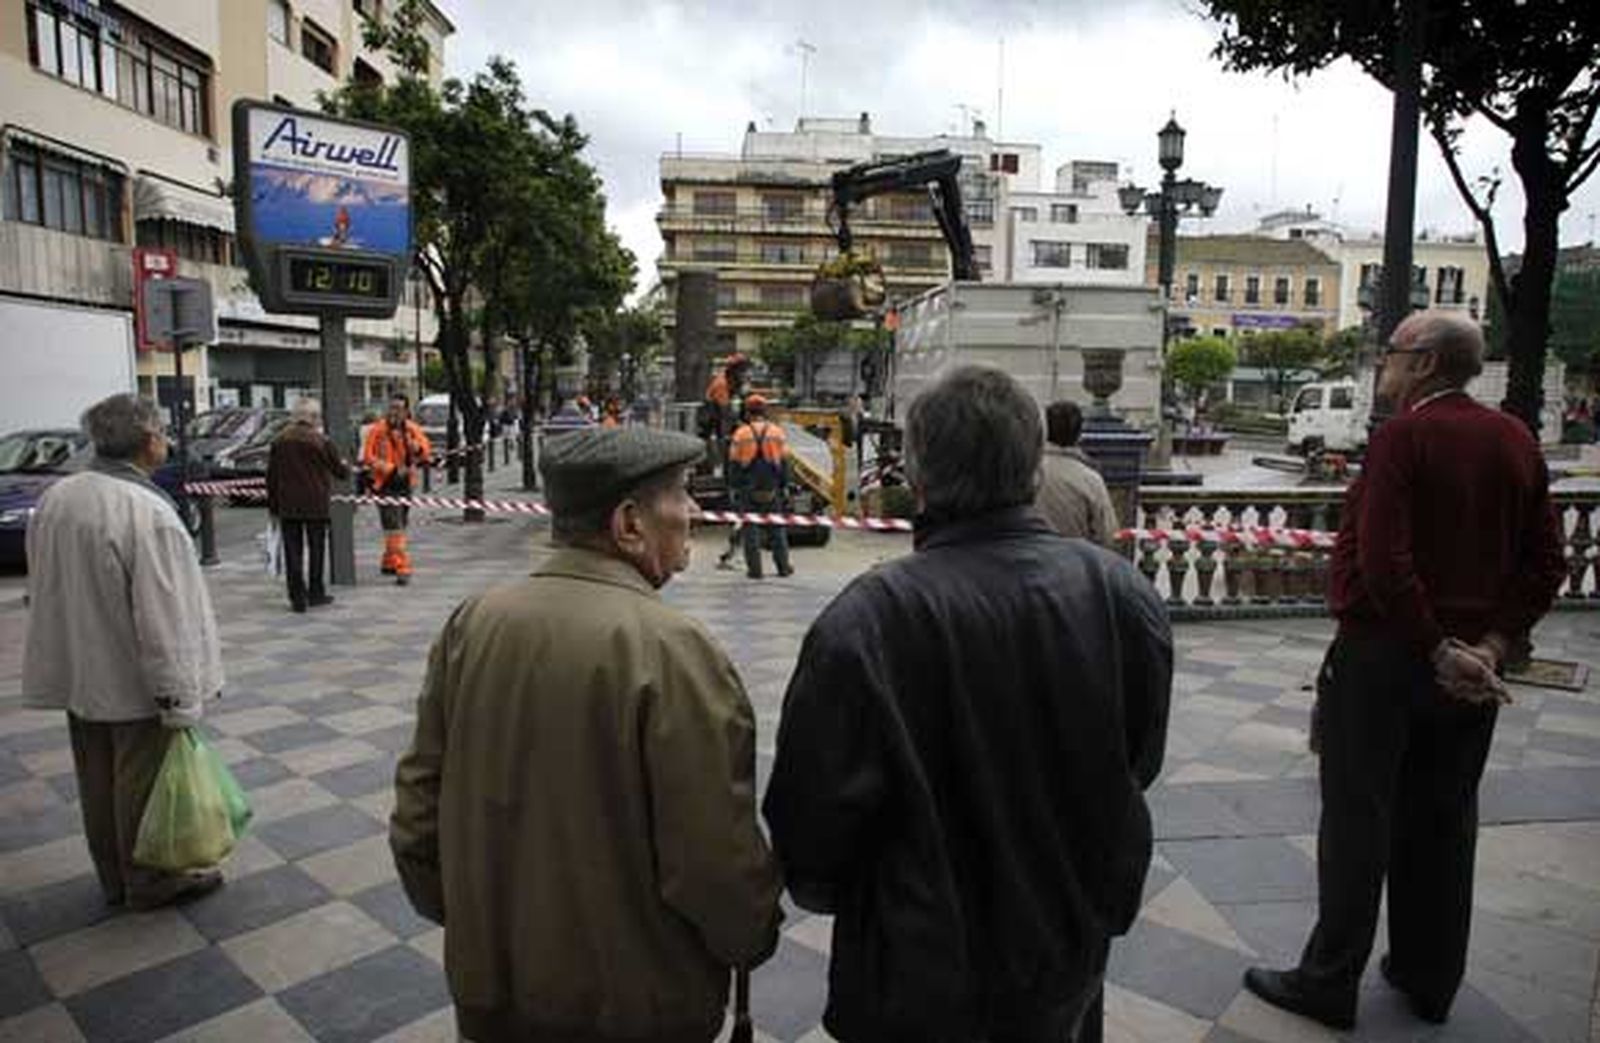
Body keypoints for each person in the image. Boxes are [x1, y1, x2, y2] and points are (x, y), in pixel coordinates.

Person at [763, 365, 1173, 1043]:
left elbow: (811, 827)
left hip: (915, 973)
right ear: (1034, 471)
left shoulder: (864, 621)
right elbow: (1138, 763)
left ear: (918, 479)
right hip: (1065, 953)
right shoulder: (1121, 595)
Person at [391, 426, 782, 1043]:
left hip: (492, 994)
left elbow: (418, 812)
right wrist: (752, 935)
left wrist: (477, 922)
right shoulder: (674, 650)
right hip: (634, 1008)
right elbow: (711, 860)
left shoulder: (475, 621)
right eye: (681, 495)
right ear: (629, 523)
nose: (696, 512)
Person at [1243, 312, 1566, 1031]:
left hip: (1386, 658)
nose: (1380, 368)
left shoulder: (1403, 438)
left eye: (1387, 355)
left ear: (1422, 362)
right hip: (1468, 672)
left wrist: (1434, 644)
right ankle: (1429, 975)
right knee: (1445, 818)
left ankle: (1330, 979)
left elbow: (1383, 562)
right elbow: (1548, 563)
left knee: (1358, 819)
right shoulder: (1515, 437)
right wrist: (1489, 642)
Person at [22, 393, 226, 909]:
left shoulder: (60, 498)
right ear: (148, 441)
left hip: (78, 673)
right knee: (140, 782)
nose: (167, 440)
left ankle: (114, 876)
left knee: (97, 779)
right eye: (162, 431)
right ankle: (149, 880)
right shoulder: (145, 512)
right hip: (134, 681)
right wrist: (179, 697)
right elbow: (165, 616)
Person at [266, 398, 349, 613]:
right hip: (316, 504)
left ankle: (297, 597)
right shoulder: (321, 441)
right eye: (317, 416)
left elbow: (271, 477)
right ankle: (315, 592)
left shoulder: (279, 440)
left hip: (288, 505)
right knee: (316, 548)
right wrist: (345, 466)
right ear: (312, 418)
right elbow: (340, 472)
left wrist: (273, 507)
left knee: (292, 551)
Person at [360, 392, 433, 585]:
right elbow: (367, 457)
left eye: (399, 408)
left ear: (406, 411)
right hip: (384, 485)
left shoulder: (412, 429)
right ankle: (402, 567)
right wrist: (390, 469)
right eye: (391, 407)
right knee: (395, 527)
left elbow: (426, 451)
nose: (394, 412)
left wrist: (415, 447)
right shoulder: (377, 430)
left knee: (400, 524)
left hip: (406, 485)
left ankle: (389, 561)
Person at [1036, 399, 1120, 547]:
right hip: (1076, 564)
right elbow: (1108, 536)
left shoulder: (1027, 474)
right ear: (1079, 434)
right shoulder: (1091, 480)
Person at [727, 394, 793, 579]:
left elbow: (733, 464)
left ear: (747, 412)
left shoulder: (741, 434)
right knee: (777, 529)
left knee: (751, 529)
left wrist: (733, 487)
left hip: (749, 488)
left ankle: (755, 570)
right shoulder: (777, 432)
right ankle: (783, 567)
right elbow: (785, 462)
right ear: (765, 411)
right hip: (772, 488)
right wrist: (785, 485)